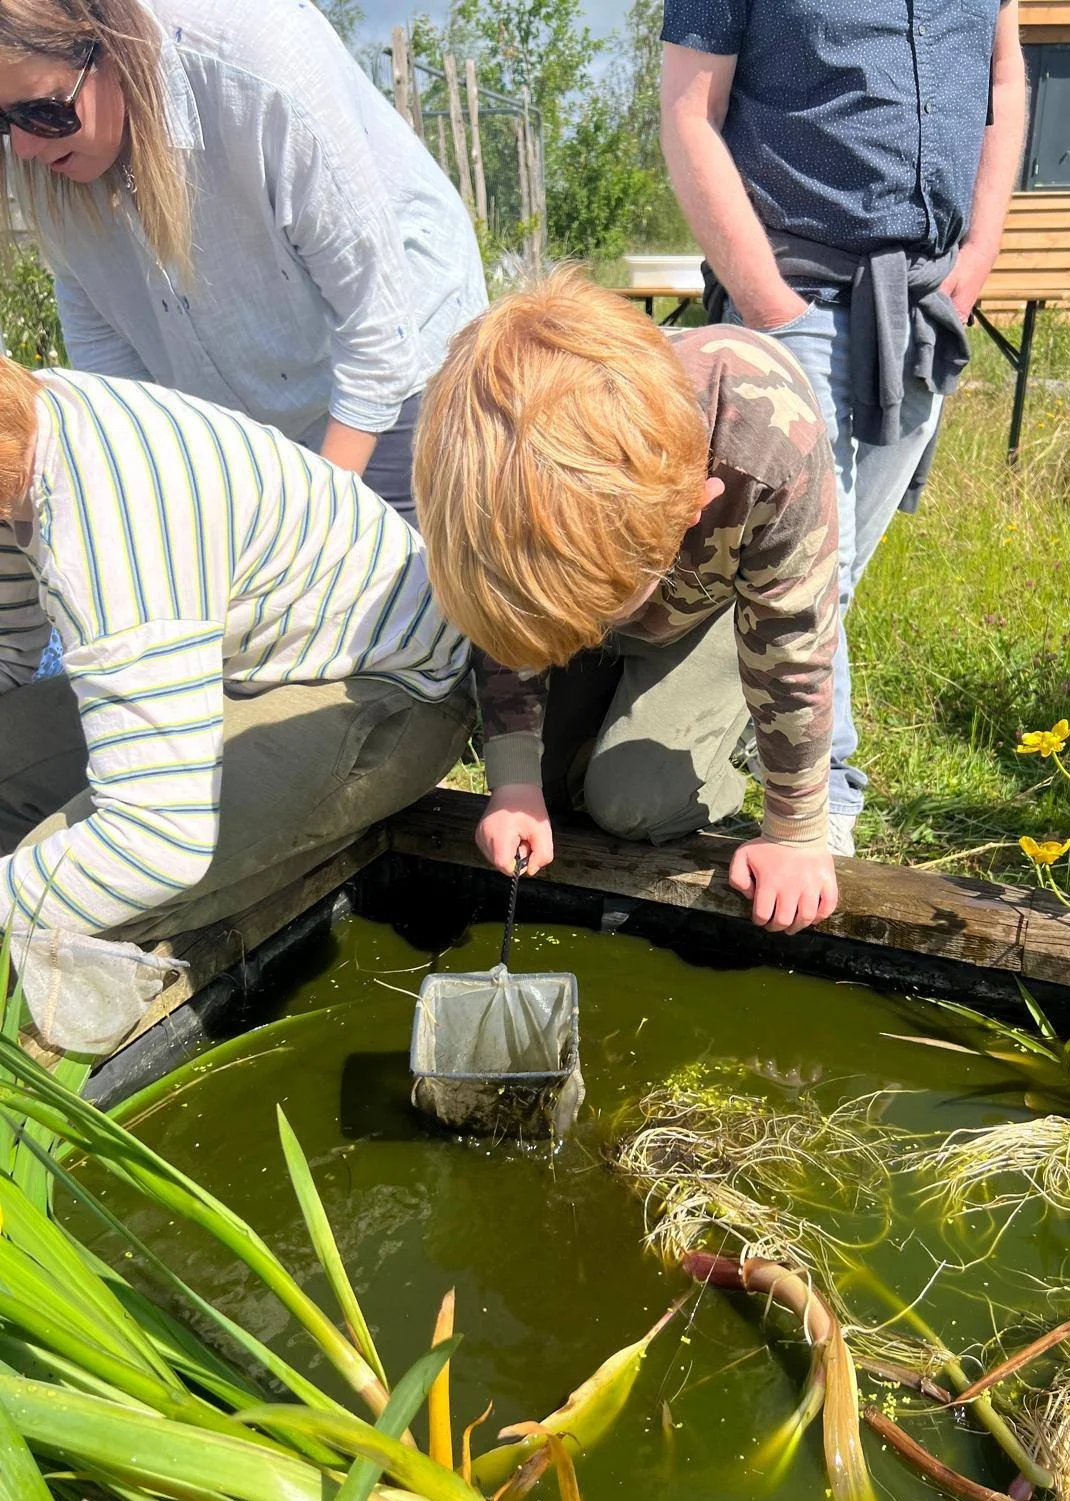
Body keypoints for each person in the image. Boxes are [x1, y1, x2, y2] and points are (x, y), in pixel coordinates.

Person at [660, 0, 1027, 855]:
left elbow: (1004, 78)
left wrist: (977, 257)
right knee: (816, 570)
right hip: (800, 289)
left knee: (835, 574)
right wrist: (770, 307)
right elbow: (689, 110)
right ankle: (822, 816)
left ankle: (752, 730)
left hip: (926, 297)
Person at [413, 271, 840, 937]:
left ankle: (700, 754)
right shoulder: (489, 452)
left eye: (599, 614)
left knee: (631, 800)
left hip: (714, 616)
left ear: (690, 514)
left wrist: (794, 830)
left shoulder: (764, 435)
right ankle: (596, 725)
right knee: (548, 795)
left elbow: (793, 647)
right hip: (617, 597)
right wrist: (515, 780)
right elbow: (510, 619)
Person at [0, 355, 472, 941]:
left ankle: (311, 846)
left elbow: (156, 841)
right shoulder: (20, 444)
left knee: (72, 901)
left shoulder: (106, 515)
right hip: (237, 667)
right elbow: (10, 651)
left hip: (392, 687)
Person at [0, 0, 486, 519]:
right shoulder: (45, 147)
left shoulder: (256, 59)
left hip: (394, 369)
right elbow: (109, 354)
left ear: (113, 48)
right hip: (255, 420)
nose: (25, 148)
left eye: (46, 112)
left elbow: (378, 326)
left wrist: (312, 524)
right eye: (6, 121)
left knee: (400, 587)